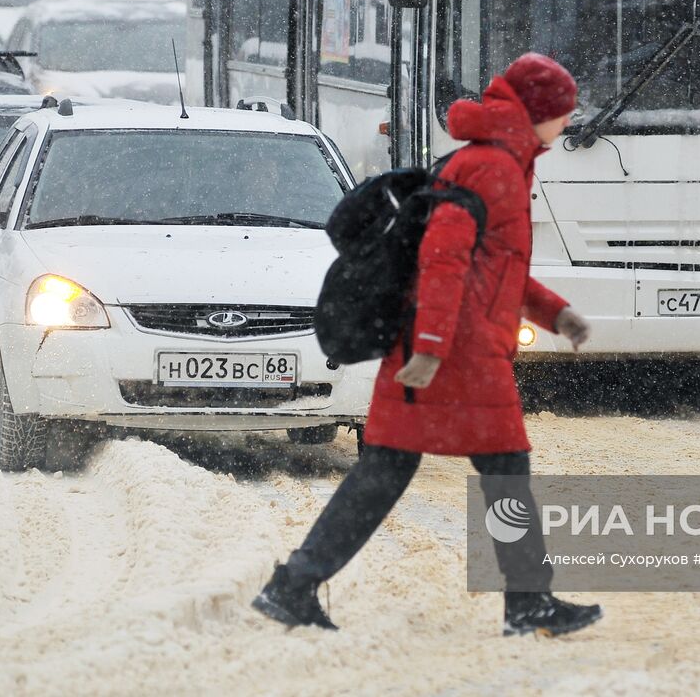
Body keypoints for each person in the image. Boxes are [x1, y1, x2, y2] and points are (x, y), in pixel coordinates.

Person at [253, 52, 603, 638]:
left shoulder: (499, 162)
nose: (568, 123)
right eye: (564, 113)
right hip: (456, 355)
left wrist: (555, 313)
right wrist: (433, 347)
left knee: (391, 473)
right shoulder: (492, 167)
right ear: (539, 112)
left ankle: (295, 585)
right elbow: (442, 259)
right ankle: (528, 602)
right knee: (500, 473)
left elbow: (497, 266)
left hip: (448, 347)